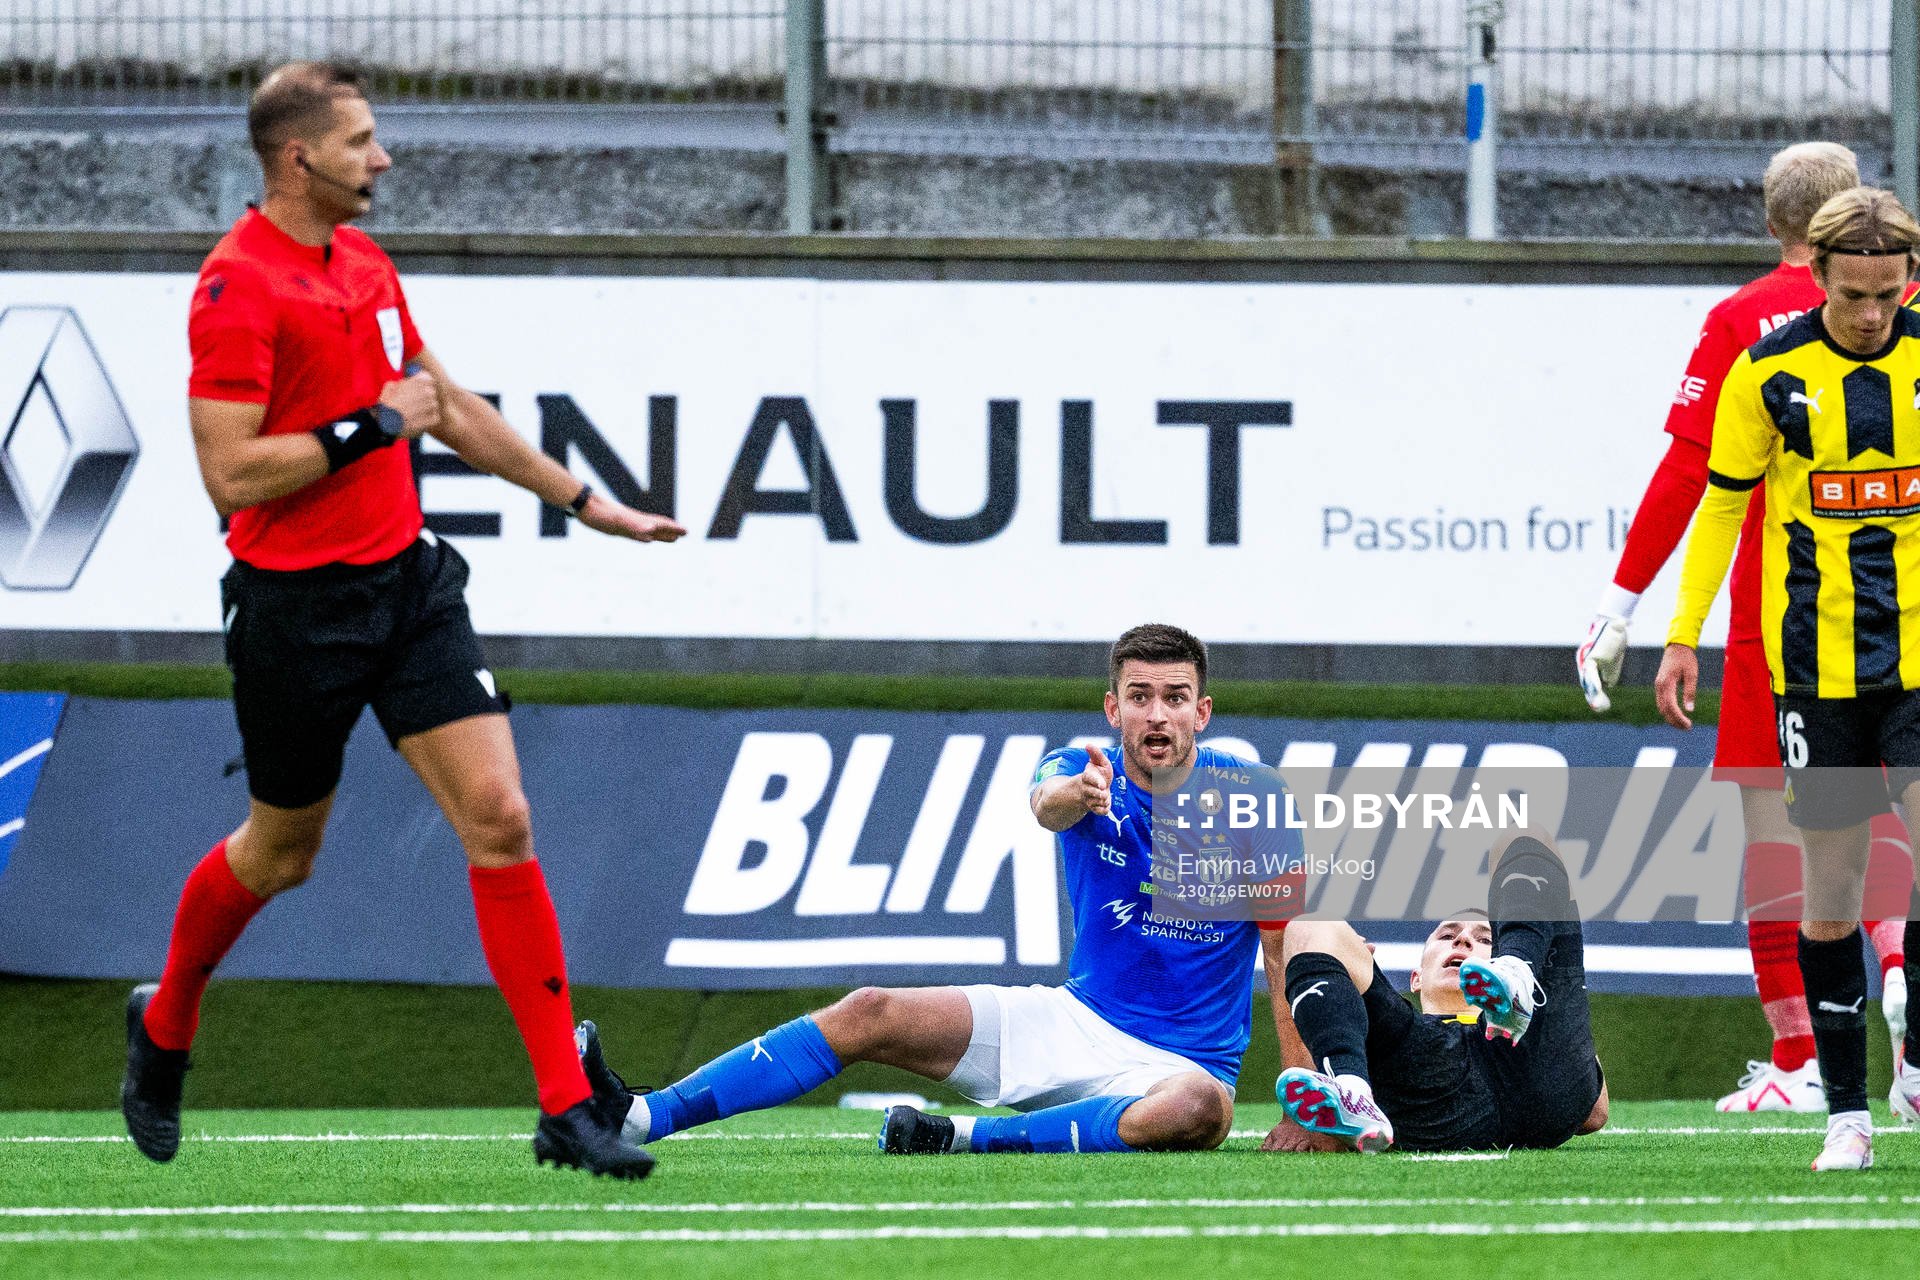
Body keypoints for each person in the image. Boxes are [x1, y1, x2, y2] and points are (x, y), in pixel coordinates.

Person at [118, 62, 684, 1178]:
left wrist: (587, 503)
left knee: (502, 815)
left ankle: (566, 1106)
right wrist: (366, 427)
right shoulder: (236, 288)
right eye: (363, 141)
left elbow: (450, 405)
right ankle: (167, 1015)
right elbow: (230, 474)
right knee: (283, 852)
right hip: (294, 609)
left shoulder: (365, 262)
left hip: (409, 586)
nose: (382, 159)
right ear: (300, 158)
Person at [575, 623, 1305, 1155]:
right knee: (869, 1011)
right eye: (1138, 696)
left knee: (1201, 1110)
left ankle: (959, 1138)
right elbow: (1046, 801)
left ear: (1201, 714)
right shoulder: (1083, 767)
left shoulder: (1254, 802)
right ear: (1112, 710)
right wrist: (1075, 795)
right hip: (1073, 1022)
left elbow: (1284, 960)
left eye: (1175, 697)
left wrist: (1304, 1104)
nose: (1157, 714)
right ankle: (641, 1115)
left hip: (1182, 1066)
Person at [1576, 141, 1909, 1113]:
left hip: (1786, 621)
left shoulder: (1742, 325)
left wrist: (1629, 606)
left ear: (1772, 226)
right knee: (1883, 826)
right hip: (1902, 617)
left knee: (1786, 840)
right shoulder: (1904, 320)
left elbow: (1696, 478)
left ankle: (1802, 1055)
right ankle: (1898, 977)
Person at [1658, 186, 1920, 1171]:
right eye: (1854, 294)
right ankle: (1846, 1114)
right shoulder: (1768, 372)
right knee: (1831, 892)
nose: (1871, 314)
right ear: (1816, 277)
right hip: (1816, 668)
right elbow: (1722, 508)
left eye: (1890, 294)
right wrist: (1683, 635)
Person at [1272, 834, 1609, 1153]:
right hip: (1419, 1086)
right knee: (1310, 925)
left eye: (1485, 938)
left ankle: (1516, 970)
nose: (1462, 941)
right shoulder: (1396, 1038)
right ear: (1416, 978)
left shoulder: (1540, 1028)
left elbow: (1594, 1113)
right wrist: (1343, 979)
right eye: (1447, 935)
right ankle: (1353, 1095)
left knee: (1523, 836)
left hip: (1524, 1055)